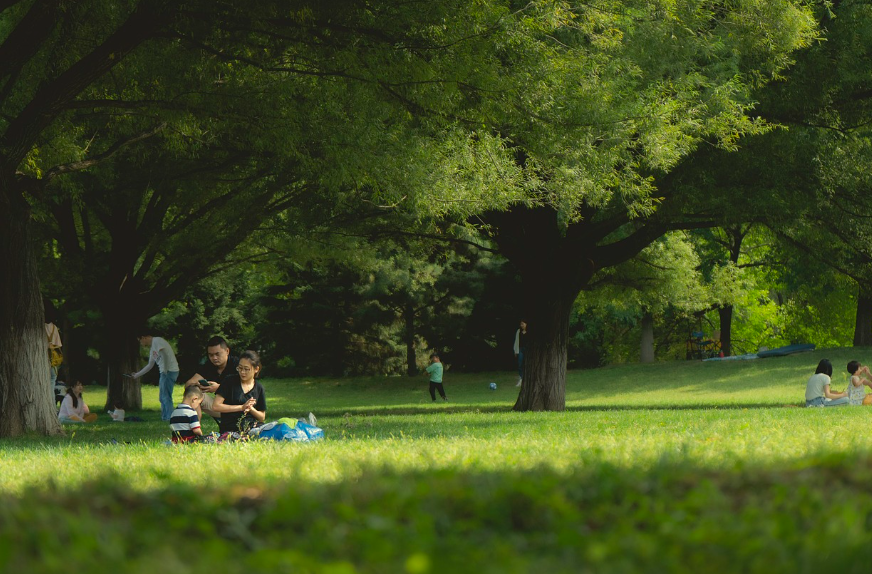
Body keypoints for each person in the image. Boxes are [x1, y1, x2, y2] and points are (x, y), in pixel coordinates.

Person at [184, 336, 239, 425]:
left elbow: (245, 389)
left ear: (227, 351)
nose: (214, 358)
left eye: (217, 354)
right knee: (193, 395)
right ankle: (195, 429)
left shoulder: (238, 365)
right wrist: (198, 386)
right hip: (219, 407)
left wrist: (219, 388)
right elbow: (188, 384)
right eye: (211, 355)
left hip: (239, 408)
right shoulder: (209, 366)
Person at [212, 349, 267, 434]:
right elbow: (216, 406)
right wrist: (241, 407)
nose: (242, 372)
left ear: (256, 369)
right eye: (240, 368)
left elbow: (262, 417)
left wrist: (250, 408)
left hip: (252, 427)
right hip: (231, 428)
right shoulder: (229, 381)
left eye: (246, 369)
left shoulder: (259, 388)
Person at [129, 333, 180, 422]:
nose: (141, 343)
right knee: (162, 397)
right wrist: (137, 375)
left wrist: (165, 369)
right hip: (164, 372)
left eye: (140, 341)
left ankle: (170, 418)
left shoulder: (157, 341)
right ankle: (165, 417)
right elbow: (150, 365)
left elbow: (165, 354)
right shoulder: (153, 349)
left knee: (166, 396)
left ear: (144, 337)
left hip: (169, 371)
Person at [44, 298, 63, 391]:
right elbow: (58, 345)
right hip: (53, 361)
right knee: (52, 381)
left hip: (43, 359)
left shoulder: (38, 326)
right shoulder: (54, 327)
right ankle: (51, 400)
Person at [513, 320, 527, 387]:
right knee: (520, 363)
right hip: (520, 349)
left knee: (527, 364)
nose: (521, 325)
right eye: (520, 324)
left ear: (526, 324)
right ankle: (521, 378)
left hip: (527, 349)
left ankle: (526, 379)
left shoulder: (529, 332)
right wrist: (515, 351)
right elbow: (516, 341)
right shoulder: (518, 331)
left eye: (522, 324)